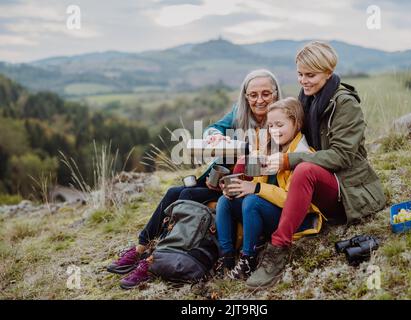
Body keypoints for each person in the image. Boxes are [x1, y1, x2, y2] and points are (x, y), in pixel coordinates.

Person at [106, 69, 283, 289]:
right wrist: (214, 137)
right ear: (245, 96)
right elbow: (213, 128)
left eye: (266, 94)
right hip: (224, 180)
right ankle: (141, 248)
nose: (259, 100)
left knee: (187, 195)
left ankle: (156, 257)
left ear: (276, 93)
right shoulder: (239, 112)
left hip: (248, 189)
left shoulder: (281, 119)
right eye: (253, 94)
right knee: (173, 193)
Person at [246, 41, 386, 289]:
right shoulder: (307, 99)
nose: (304, 80)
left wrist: (289, 160)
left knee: (304, 169)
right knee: (282, 167)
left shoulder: (345, 104)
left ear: (328, 72)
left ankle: (278, 250)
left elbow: (342, 156)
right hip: (315, 182)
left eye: (310, 75)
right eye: (300, 74)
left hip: (345, 188)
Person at [215, 97, 318, 280]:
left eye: (280, 124)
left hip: (294, 219)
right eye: (270, 125)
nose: (274, 130)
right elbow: (253, 180)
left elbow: (291, 199)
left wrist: (255, 187)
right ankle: (227, 257)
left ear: (297, 124)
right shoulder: (269, 149)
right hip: (267, 212)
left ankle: (249, 258)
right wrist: (236, 187)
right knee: (225, 201)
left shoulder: (303, 156)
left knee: (252, 201)